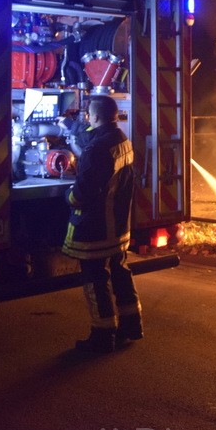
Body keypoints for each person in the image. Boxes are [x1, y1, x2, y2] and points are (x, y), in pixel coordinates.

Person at [62, 95, 142, 353]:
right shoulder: (120, 139)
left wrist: (69, 197)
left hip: (95, 228)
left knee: (96, 280)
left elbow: (82, 193)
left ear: (94, 117)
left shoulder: (97, 149)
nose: (87, 119)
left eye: (88, 116)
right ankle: (131, 325)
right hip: (117, 226)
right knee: (120, 272)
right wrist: (72, 126)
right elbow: (92, 137)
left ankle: (102, 335)